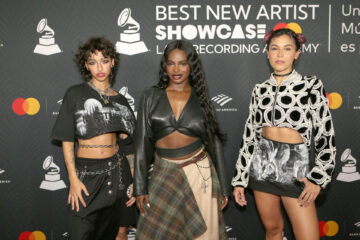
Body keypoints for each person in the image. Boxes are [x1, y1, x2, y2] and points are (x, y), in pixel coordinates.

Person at [232, 23, 336, 240]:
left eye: (287, 48)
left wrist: (318, 177)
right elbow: (250, 136)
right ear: (267, 52)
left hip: (295, 168)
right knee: (273, 231)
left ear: (297, 53)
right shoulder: (260, 90)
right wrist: (240, 178)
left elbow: (325, 135)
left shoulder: (311, 86)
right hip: (262, 165)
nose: (280, 54)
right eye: (275, 48)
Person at [134, 40, 231, 240]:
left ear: (191, 66)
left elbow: (214, 143)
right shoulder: (150, 96)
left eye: (182, 63)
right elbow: (142, 142)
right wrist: (140, 187)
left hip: (200, 174)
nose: (176, 69)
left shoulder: (202, 98)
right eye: (171, 63)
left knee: (205, 235)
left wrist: (223, 185)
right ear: (165, 66)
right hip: (164, 172)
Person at [51, 37, 136, 240]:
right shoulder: (75, 94)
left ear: (113, 62)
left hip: (118, 174)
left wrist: (133, 181)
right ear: (86, 66)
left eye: (104, 60)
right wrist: (73, 178)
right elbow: (67, 140)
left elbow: (129, 145)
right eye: (93, 62)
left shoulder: (121, 100)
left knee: (116, 234)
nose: (99, 67)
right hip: (86, 175)